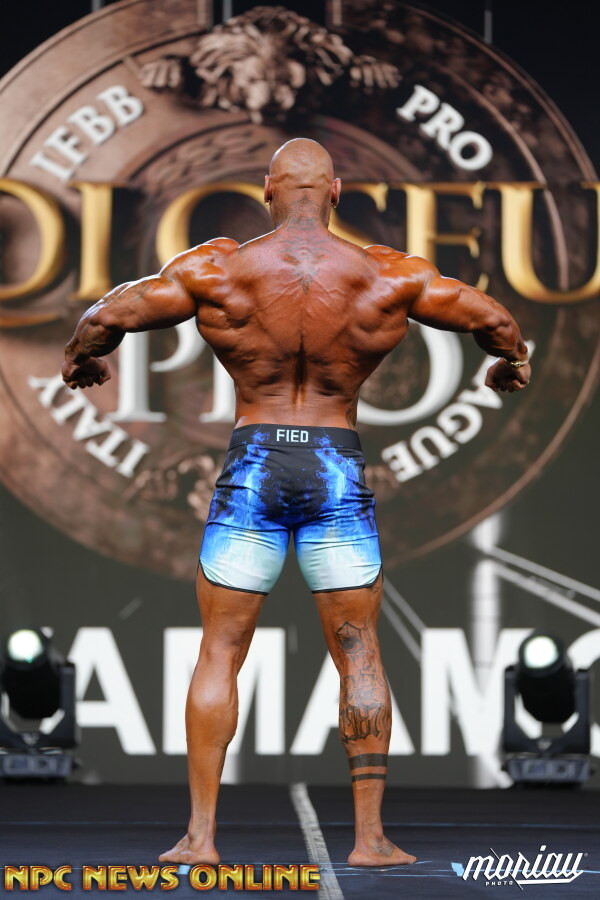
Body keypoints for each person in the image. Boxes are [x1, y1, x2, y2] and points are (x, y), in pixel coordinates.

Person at [62, 138, 531, 867]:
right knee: (359, 649)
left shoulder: (219, 268)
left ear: (266, 190)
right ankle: (370, 840)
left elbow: (108, 314)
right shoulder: (386, 273)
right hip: (333, 464)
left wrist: (82, 357)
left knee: (220, 650)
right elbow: (494, 321)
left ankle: (200, 838)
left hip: (255, 463)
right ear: (336, 191)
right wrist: (510, 362)